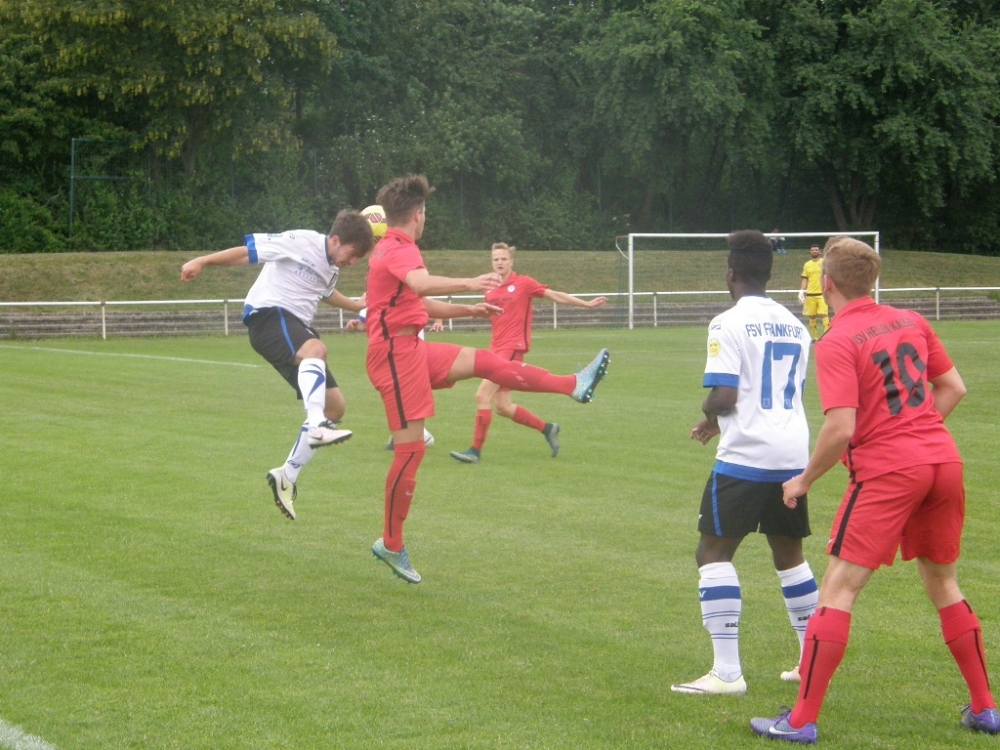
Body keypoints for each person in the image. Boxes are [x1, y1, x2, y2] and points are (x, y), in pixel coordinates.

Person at [751, 237, 997, 743]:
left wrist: (802, 479)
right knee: (944, 584)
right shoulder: (911, 320)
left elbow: (840, 427)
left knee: (838, 588)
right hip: (942, 462)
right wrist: (917, 436)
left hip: (890, 471)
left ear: (826, 282)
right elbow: (953, 387)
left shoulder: (837, 340)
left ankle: (799, 721)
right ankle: (985, 708)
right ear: (873, 280)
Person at [364, 174, 610, 584]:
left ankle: (572, 384)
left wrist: (469, 309)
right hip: (395, 356)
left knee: (487, 363)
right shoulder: (399, 247)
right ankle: (390, 543)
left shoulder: (393, 248)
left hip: (409, 350)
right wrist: (469, 281)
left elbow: (421, 301)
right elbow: (421, 283)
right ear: (418, 214)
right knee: (409, 453)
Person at [670, 230, 817, 697]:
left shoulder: (727, 322)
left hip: (747, 455)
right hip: (793, 454)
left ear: (730, 273)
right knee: (789, 555)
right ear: (770, 274)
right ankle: (810, 661)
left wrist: (710, 414)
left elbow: (727, 394)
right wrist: (719, 416)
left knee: (711, 553)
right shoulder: (796, 325)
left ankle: (727, 672)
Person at [180, 210, 373, 521]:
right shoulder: (300, 242)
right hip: (268, 316)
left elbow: (324, 292)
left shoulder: (331, 268)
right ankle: (315, 425)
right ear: (335, 240)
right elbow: (249, 253)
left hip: (293, 327)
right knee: (315, 349)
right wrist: (203, 261)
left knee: (335, 407)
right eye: (351, 255)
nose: (352, 263)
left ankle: (287, 474)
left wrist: (355, 304)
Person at [449, 242, 608, 464]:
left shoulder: (523, 283)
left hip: (512, 349)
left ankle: (474, 451)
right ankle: (548, 429)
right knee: (503, 406)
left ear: (511, 262)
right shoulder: (489, 289)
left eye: (503, 259)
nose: (500, 262)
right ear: (491, 262)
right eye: (496, 259)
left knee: (481, 396)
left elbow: (554, 295)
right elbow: (494, 316)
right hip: (494, 350)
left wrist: (586, 304)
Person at [799, 243, 830, 341]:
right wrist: (801, 291)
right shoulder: (807, 265)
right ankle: (814, 338)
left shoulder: (824, 263)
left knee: (824, 315)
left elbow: (829, 276)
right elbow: (805, 279)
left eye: (816, 250)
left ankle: (826, 337)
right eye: (812, 250)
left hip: (822, 294)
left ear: (819, 251)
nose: (814, 251)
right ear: (810, 252)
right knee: (811, 316)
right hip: (810, 295)